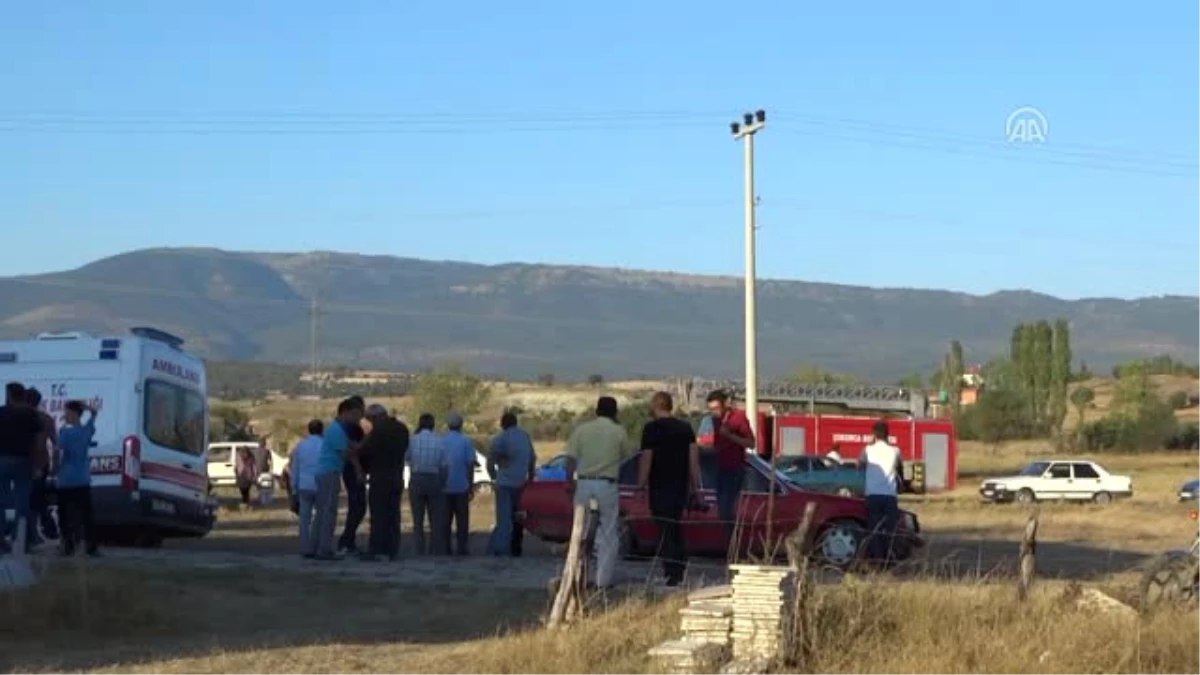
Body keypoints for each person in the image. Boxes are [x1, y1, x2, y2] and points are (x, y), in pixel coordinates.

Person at [564, 396, 636, 590]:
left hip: (585, 483)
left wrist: (569, 481)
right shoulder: (618, 432)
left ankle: (579, 576)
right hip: (607, 484)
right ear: (615, 413)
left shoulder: (582, 430)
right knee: (608, 532)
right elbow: (627, 456)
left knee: (581, 531)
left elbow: (570, 459)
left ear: (597, 411)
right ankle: (603, 580)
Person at [637, 391, 701, 587]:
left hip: (659, 485)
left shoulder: (651, 429)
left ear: (655, 406)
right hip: (679, 484)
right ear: (670, 406)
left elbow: (647, 458)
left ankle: (672, 572)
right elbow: (693, 459)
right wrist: (695, 485)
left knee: (665, 528)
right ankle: (678, 567)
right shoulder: (685, 428)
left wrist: (641, 484)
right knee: (675, 524)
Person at [313, 398, 363, 560]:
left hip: (327, 472)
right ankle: (324, 550)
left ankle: (316, 547)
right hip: (330, 472)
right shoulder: (337, 431)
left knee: (322, 512)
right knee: (329, 512)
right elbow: (346, 453)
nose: (357, 418)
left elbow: (348, 447)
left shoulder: (336, 430)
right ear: (345, 412)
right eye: (355, 414)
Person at [706, 390, 755, 553]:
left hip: (735, 469)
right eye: (711, 409)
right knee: (721, 509)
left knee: (727, 509)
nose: (715, 412)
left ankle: (734, 548)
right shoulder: (715, 420)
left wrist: (730, 436)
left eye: (717, 408)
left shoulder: (738, 418)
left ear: (725, 404)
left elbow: (751, 443)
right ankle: (728, 546)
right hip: (720, 468)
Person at [360, 404, 408, 561]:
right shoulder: (402, 429)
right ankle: (393, 549)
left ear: (375, 417)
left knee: (378, 515)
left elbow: (366, 452)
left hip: (379, 477)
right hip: (396, 476)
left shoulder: (378, 432)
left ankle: (377, 548)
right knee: (394, 514)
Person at [0, 382, 42, 554]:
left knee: (0, 501)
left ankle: (1, 541)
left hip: (1, 460)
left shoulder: (1, 412)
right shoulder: (32, 414)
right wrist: (37, 465)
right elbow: (39, 443)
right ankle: (20, 540)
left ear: (9, 395)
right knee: (22, 501)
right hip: (24, 461)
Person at [487, 411, 536, 557]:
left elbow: (490, 462)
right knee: (518, 517)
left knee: (503, 519)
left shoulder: (500, 438)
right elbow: (532, 459)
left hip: (504, 483)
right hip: (521, 482)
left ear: (503, 424)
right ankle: (516, 547)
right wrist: (531, 476)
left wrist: (494, 477)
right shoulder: (525, 437)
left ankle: (502, 549)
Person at [55, 400, 100, 557]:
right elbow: (94, 413)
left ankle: (68, 545)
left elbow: (58, 450)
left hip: (66, 480)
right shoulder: (87, 430)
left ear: (73, 414)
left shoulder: (65, 433)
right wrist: (85, 407)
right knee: (86, 514)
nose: (64, 415)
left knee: (64, 515)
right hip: (82, 479)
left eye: (67, 412)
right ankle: (91, 546)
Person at [859, 420, 903, 564]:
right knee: (890, 530)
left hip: (872, 495)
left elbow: (860, 466)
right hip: (890, 495)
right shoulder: (895, 451)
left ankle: (877, 559)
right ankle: (890, 558)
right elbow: (900, 469)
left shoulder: (867, 450)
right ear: (887, 434)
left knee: (874, 529)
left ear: (874, 434)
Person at [407, 413, 448, 556]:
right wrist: (442, 483)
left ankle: (419, 549)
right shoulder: (440, 441)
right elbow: (444, 466)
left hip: (417, 478)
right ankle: (435, 550)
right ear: (433, 425)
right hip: (434, 479)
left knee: (417, 519)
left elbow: (406, 458)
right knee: (436, 519)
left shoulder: (412, 440)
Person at [24, 387, 59, 546]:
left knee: (31, 500)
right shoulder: (46, 418)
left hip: (27, 464)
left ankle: (37, 532)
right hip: (43, 463)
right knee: (36, 498)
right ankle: (43, 529)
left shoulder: (24, 418)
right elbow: (56, 443)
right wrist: (56, 466)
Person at [288, 419, 324, 558]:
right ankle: (315, 546)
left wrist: (294, 487)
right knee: (319, 517)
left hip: (304, 485)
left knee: (304, 518)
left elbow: (295, 467)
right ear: (321, 430)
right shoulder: (324, 445)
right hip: (320, 484)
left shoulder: (301, 446)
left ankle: (305, 548)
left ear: (309, 430)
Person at [441, 412, 476, 556]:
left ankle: (446, 547)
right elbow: (470, 464)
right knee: (462, 521)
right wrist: (471, 484)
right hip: (462, 485)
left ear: (448, 426)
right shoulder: (466, 441)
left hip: (445, 486)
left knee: (445, 520)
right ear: (461, 425)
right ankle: (462, 547)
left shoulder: (442, 441)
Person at [337, 397, 368, 555]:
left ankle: (348, 540)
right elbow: (352, 450)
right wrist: (358, 470)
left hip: (349, 470)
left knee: (357, 506)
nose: (363, 413)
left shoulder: (347, 426)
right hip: (353, 471)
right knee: (358, 506)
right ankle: (346, 541)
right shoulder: (352, 428)